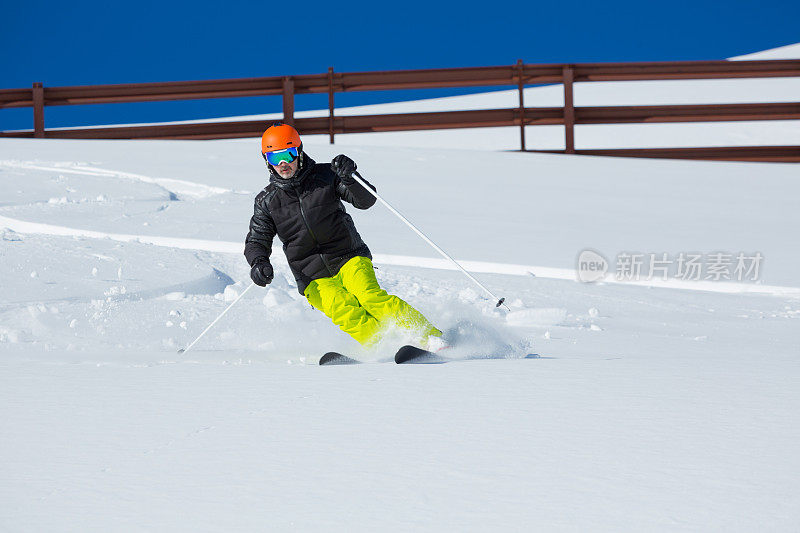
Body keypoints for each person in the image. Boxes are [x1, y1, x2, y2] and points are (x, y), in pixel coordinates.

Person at [244, 123, 444, 351]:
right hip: (311, 275)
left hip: (347, 256)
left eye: (288, 154)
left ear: (298, 152)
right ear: (266, 160)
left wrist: (350, 177)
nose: (283, 163)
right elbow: (256, 240)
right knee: (343, 309)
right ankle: (384, 347)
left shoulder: (327, 176)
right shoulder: (267, 201)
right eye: (274, 156)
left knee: (370, 297)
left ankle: (430, 337)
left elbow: (366, 201)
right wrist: (258, 263)